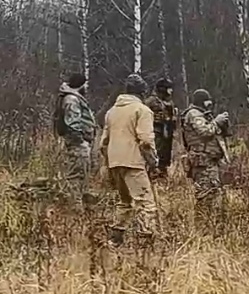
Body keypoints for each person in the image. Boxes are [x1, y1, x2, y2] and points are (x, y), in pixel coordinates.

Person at [99, 73, 159, 246]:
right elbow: (146, 141)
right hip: (134, 162)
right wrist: (153, 162)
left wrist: (109, 161)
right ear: (142, 93)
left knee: (124, 202)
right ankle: (145, 242)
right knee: (145, 203)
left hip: (114, 161)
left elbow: (103, 142)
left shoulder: (112, 112)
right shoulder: (142, 110)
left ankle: (115, 239)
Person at [179, 89, 230, 224]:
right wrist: (217, 121)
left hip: (209, 160)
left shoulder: (202, 114)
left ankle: (212, 225)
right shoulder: (194, 114)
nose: (210, 104)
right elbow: (205, 132)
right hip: (202, 161)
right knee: (205, 194)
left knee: (214, 192)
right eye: (207, 101)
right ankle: (202, 228)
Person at [53, 72, 98, 205]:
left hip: (80, 143)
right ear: (81, 85)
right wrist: (80, 141)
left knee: (81, 174)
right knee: (76, 175)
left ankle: (80, 205)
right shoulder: (71, 100)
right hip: (77, 143)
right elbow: (73, 124)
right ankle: (74, 208)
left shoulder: (72, 98)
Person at [143, 78, 177, 181]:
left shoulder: (168, 103)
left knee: (165, 155)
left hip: (166, 133)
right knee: (156, 154)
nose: (171, 91)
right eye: (169, 89)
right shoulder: (151, 101)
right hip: (156, 133)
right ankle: (153, 174)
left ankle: (162, 173)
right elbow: (143, 116)